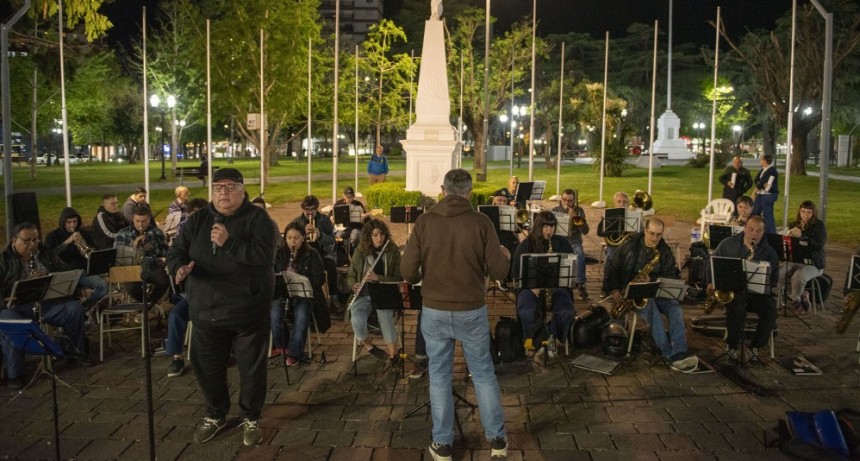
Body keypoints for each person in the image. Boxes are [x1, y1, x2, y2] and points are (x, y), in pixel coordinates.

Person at [401, 168, 509, 460]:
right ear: (469, 192)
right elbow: (500, 270)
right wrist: (505, 256)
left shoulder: (424, 222)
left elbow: (408, 273)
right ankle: (497, 440)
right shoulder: (481, 221)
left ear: (443, 189)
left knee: (439, 375)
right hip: (471, 309)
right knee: (483, 373)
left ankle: (443, 443)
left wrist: (428, 270)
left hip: (434, 309)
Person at [167, 168, 275, 446]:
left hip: (247, 311)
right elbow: (176, 251)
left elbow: (264, 257)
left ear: (242, 190)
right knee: (207, 368)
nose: (223, 193)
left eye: (230, 187)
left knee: (251, 370)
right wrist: (178, 268)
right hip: (205, 309)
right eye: (218, 187)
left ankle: (251, 417)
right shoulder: (198, 219)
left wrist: (229, 243)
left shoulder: (258, 218)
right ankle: (215, 414)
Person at [0, 223, 91, 389]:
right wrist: (6, 300)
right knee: (9, 322)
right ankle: (15, 374)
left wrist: (49, 276)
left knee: (73, 309)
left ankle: (75, 352)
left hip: (45, 303)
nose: (32, 245)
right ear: (14, 240)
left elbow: (66, 271)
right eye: (27, 241)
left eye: (35, 240)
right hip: (15, 307)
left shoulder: (45, 254)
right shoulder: (3, 260)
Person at [603, 217, 699, 372]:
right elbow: (611, 268)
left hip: (657, 291)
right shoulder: (629, 246)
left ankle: (680, 351)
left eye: (658, 235)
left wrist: (652, 279)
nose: (655, 239)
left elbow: (671, 276)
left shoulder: (664, 250)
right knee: (651, 309)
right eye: (651, 234)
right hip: (634, 294)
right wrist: (614, 289)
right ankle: (669, 355)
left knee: (675, 308)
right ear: (645, 230)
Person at [705, 216, 778, 366]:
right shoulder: (727, 244)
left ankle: (755, 347)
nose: (754, 234)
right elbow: (711, 264)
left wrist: (765, 284)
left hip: (757, 294)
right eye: (751, 229)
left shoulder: (769, 252)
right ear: (744, 228)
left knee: (770, 310)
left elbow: (774, 279)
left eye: (758, 231)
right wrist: (710, 283)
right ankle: (732, 346)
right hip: (733, 291)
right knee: (737, 308)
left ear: (763, 232)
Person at [511, 211, 575, 359]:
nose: (549, 231)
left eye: (552, 227)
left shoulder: (562, 243)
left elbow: (570, 271)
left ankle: (550, 339)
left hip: (556, 288)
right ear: (538, 226)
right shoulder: (525, 245)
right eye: (545, 226)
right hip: (531, 288)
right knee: (527, 311)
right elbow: (515, 272)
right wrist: (529, 285)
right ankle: (533, 341)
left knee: (567, 311)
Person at [164, 198, 211, 378]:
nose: (194, 221)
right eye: (191, 217)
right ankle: (176, 357)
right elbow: (174, 254)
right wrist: (179, 267)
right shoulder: (186, 233)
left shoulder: (218, 231)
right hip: (195, 293)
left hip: (219, 294)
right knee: (176, 315)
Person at [271, 222, 326, 367]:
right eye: (289, 238)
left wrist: (301, 279)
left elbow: (319, 278)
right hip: (283, 293)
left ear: (303, 238)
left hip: (303, 294)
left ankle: (294, 353)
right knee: (274, 314)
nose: (292, 242)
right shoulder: (280, 253)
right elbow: (272, 273)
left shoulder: (312, 254)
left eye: (296, 238)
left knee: (301, 316)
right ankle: (282, 345)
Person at [348, 219, 402, 364]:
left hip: (385, 293)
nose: (379, 238)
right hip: (364, 295)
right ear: (368, 237)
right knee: (357, 319)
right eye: (375, 235)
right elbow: (351, 274)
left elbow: (399, 277)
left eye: (382, 234)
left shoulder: (393, 251)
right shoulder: (360, 251)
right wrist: (354, 285)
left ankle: (393, 356)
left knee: (385, 318)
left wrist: (379, 278)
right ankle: (369, 345)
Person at [43, 207, 109, 309]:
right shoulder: (52, 236)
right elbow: (49, 256)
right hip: (64, 272)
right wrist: (66, 242)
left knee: (103, 285)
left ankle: (83, 308)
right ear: (63, 222)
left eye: (75, 222)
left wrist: (86, 245)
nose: (72, 225)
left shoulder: (83, 233)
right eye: (69, 222)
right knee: (100, 286)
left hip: (82, 271)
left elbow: (94, 250)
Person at [292, 195, 342, 316]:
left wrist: (320, 236)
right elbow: (291, 241)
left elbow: (332, 240)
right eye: (307, 209)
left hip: (321, 252)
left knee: (331, 265)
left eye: (312, 209)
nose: (309, 212)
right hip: (304, 254)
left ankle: (334, 297)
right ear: (303, 209)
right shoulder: (297, 222)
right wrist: (302, 233)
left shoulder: (324, 220)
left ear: (317, 209)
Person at [114, 206, 170, 309]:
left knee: (164, 281)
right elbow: (117, 256)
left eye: (144, 221)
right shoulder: (123, 233)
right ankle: (149, 305)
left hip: (152, 265)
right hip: (131, 267)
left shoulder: (156, 232)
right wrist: (133, 247)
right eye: (137, 221)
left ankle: (146, 308)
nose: (140, 225)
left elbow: (166, 252)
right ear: (133, 219)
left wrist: (152, 248)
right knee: (131, 288)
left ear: (149, 220)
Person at [785, 201, 827, 315]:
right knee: (779, 272)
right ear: (799, 212)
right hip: (797, 260)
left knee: (798, 276)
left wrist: (802, 236)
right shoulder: (794, 224)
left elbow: (819, 244)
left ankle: (794, 300)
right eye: (803, 211)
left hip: (814, 263)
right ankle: (799, 297)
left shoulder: (819, 226)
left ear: (813, 213)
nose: (805, 215)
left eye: (809, 212)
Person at [551, 189, 590, 300]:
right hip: (559, 241)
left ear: (574, 200)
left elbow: (585, 231)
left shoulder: (579, 211)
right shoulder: (555, 210)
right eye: (564, 200)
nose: (567, 203)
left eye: (570, 200)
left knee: (580, 256)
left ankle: (581, 284)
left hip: (574, 242)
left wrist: (575, 218)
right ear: (561, 199)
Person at [596, 191, 630, 265]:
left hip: (629, 246)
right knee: (611, 256)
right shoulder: (609, 215)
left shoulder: (632, 216)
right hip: (613, 246)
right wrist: (612, 230)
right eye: (619, 202)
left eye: (624, 202)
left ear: (628, 204)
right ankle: (609, 275)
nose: (622, 204)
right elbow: (599, 232)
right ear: (614, 203)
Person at [752, 154, 779, 234]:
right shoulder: (763, 169)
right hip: (761, 194)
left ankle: (771, 233)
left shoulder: (771, 170)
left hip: (768, 195)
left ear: (765, 160)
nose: (760, 160)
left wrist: (754, 192)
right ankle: (756, 228)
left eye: (761, 159)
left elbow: (762, 181)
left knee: (767, 214)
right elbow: (757, 180)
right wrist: (761, 184)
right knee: (755, 211)